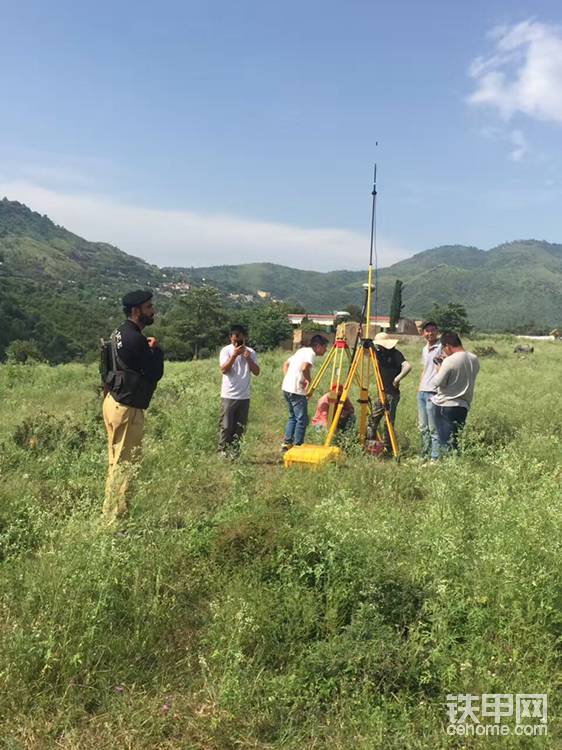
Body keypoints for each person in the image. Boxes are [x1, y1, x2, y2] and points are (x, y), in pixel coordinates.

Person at [102, 289, 164, 526]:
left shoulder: (118, 331)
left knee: (116, 461)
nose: (153, 311)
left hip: (112, 401)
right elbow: (155, 372)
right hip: (127, 408)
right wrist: (156, 350)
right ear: (136, 311)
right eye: (149, 307)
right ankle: (116, 522)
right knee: (125, 465)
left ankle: (111, 513)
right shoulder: (136, 338)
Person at [432, 331, 480, 454]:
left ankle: (444, 466)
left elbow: (438, 382)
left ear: (447, 346)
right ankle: (454, 464)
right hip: (463, 405)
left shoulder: (449, 361)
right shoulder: (474, 359)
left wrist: (439, 368)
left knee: (445, 441)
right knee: (455, 440)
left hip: (446, 405)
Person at [281, 334, 329, 451]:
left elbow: (286, 364)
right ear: (318, 346)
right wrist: (308, 380)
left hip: (287, 388)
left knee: (293, 417)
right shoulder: (310, 353)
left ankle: (286, 444)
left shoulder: (302, 351)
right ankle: (298, 446)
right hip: (296, 390)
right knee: (302, 419)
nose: (326, 350)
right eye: (324, 347)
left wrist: (289, 378)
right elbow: (304, 368)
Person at [218, 324, 260, 457]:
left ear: (245, 338)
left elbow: (257, 372)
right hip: (229, 394)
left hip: (244, 395)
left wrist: (248, 358)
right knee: (226, 426)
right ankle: (222, 450)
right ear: (230, 338)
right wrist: (234, 355)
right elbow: (224, 370)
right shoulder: (226, 351)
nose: (237, 343)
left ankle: (235, 451)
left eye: (240, 340)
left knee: (240, 427)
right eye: (234, 340)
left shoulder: (251, 352)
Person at [367, 331, 412, 453]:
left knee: (388, 422)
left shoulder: (395, 354)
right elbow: (367, 350)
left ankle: (388, 447)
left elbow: (407, 366)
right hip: (381, 392)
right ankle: (369, 444)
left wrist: (398, 378)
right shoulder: (378, 353)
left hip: (392, 394)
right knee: (373, 420)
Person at [417, 321, 442, 461]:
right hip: (422, 391)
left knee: (433, 427)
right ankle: (424, 454)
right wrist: (419, 387)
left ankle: (435, 456)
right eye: (427, 331)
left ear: (437, 331)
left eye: (433, 330)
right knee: (422, 426)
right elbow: (423, 369)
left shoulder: (441, 347)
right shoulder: (424, 348)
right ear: (423, 333)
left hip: (433, 391)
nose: (430, 333)